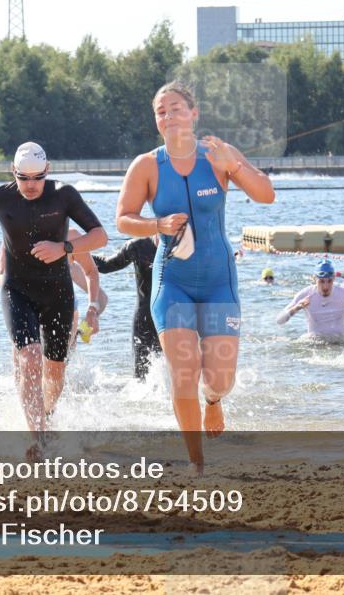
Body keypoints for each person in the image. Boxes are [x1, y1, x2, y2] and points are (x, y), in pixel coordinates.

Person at [115, 81, 275, 472]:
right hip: (174, 283)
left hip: (220, 282)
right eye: (160, 111)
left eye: (175, 108)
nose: (168, 115)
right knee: (183, 373)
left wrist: (232, 165)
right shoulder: (147, 165)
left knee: (219, 379)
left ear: (193, 113)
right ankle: (197, 462)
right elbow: (123, 219)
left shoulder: (218, 155)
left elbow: (266, 194)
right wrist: (158, 223)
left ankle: (214, 403)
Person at [0, 141, 107, 452]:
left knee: (54, 371)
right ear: (13, 173)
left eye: (37, 178)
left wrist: (63, 248)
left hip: (58, 293)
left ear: (47, 171)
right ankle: (37, 439)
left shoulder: (64, 194)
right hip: (17, 290)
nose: (30, 185)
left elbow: (100, 235)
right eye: (23, 178)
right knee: (29, 358)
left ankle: (47, 416)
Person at [92, 236, 159, 379]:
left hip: (175, 320)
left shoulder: (185, 249)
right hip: (144, 320)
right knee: (141, 376)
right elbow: (105, 265)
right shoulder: (138, 245)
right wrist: (74, 252)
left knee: (181, 374)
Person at [276, 260, 344, 342]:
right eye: (321, 281)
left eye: (329, 281)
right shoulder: (305, 294)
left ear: (334, 278)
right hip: (313, 342)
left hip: (339, 342)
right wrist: (296, 308)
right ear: (314, 279)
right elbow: (279, 321)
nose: (326, 286)